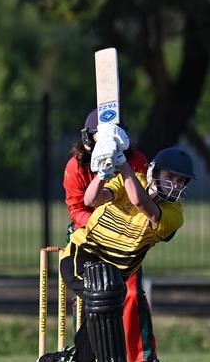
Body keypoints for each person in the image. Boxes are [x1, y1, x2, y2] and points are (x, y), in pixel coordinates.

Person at [43, 142, 195, 362]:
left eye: (181, 181)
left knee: (104, 308)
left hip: (113, 279)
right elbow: (90, 200)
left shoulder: (175, 214)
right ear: (154, 170)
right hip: (83, 253)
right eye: (170, 177)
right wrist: (103, 173)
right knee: (105, 294)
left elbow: (141, 202)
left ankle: (71, 359)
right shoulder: (132, 180)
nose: (175, 185)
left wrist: (122, 161)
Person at [52, 110, 155, 362]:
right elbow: (78, 207)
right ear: (88, 139)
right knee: (94, 296)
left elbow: (143, 200)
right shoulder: (76, 166)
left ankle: (142, 358)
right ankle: (86, 356)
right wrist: (98, 225)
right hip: (87, 238)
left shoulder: (135, 160)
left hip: (124, 240)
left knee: (130, 294)